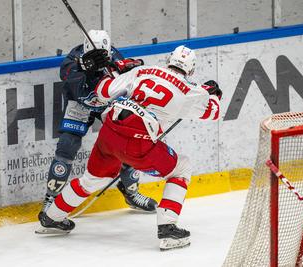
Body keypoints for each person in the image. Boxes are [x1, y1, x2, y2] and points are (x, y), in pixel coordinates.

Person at [39, 45, 222, 250]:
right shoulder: (191, 91)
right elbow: (213, 112)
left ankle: (51, 217)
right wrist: (211, 94)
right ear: (192, 70)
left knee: (92, 180)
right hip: (138, 142)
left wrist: (117, 68)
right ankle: (168, 228)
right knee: (182, 168)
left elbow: (103, 91)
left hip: (109, 133)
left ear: (169, 60)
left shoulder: (142, 71)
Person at [38, 30, 157, 223]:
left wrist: (125, 68)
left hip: (106, 102)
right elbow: (65, 73)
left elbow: (125, 77)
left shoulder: (114, 54)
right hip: (80, 103)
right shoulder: (75, 57)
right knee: (67, 147)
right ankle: (50, 199)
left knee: (127, 140)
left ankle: (131, 192)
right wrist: (84, 66)